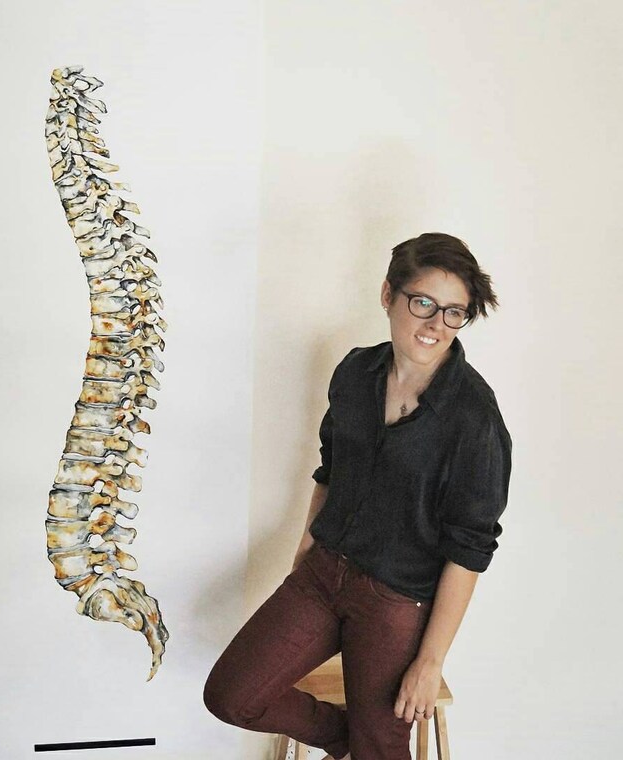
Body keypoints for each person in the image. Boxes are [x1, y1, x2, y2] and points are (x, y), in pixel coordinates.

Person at [203, 232, 512, 760]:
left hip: (397, 601)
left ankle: (368, 742)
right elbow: (330, 471)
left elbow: (470, 548)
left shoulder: (474, 417)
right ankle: (345, 740)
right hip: (324, 574)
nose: (436, 324)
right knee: (233, 695)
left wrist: (430, 661)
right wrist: (305, 551)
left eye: (454, 312)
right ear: (388, 294)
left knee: (382, 747)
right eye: (423, 303)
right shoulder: (354, 372)